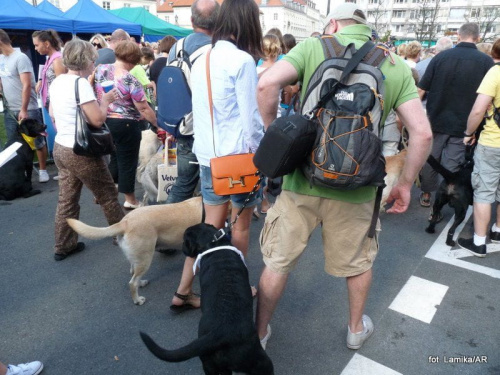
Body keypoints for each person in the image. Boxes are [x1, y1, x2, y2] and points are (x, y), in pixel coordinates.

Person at [255, 2, 432, 351]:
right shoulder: (393, 64)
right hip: (359, 186)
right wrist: (406, 184)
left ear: (333, 23)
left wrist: (273, 131)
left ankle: (259, 332)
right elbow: (423, 134)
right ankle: (354, 330)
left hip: (301, 180)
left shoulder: (312, 47)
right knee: (357, 263)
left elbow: (266, 84)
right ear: (367, 26)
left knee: (278, 261)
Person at [170, 0, 263, 312]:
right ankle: (234, 287)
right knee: (240, 228)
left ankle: (183, 291)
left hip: (208, 157)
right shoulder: (242, 61)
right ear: (246, 23)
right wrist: (262, 155)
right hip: (237, 159)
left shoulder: (201, 56)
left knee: (209, 229)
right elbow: (251, 121)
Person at [49, 39, 124, 261]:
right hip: (80, 150)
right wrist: (106, 100)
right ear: (86, 60)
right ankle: (123, 236)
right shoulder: (80, 84)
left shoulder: (58, 81)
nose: (95, 63)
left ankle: (63, 245)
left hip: (61, 146)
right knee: (108, 195)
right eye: (93, 59)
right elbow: (97, 120)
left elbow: (53, 113)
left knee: (67, 200)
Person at [417, 23, 494, 209]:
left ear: (458, 35)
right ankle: (444, 198)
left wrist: (416, 117)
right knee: (452, 164)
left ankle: (427, 193)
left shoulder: (440, 57)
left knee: (430, 159)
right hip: (465, 124)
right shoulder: (485, 62)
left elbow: (421, 90)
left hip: (435, 119)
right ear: (478, 37)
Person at [93, 41, 158, 210]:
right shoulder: (130, 79)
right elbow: (143, 107)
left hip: (106, 120)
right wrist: (158, 123)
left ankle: (103, 192)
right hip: (126, 124)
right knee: (127, 162)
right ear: (133, 59)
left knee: (115, 158)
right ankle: (131, 199)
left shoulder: (101, 69)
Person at [458, 38, 500, 257]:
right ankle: (498, 231)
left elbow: (478, 110)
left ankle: (479, 242)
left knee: (484, 190)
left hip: (494, 142)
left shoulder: (496, 72)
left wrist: (468, 133)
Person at [0, 29, 46, 181]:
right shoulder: (1, 59)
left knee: (37, 140)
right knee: (14, 143)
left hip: (27, 108)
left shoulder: (20, 58)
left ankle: (43, 170)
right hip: (10, 109)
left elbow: (26, 85)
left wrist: (24, 109)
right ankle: (18, 174)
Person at [32, 29, 67, 181]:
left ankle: (67, 170)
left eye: (37, 45)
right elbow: (47, 75)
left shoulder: (57, 59)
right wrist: (40, 81)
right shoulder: (50, 59)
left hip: (57, 106)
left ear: (46, 44)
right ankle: (65, 170)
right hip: (52, 106)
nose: (35, 48)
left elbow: (62, 84)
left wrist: (54, 105)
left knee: (62, 138)